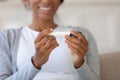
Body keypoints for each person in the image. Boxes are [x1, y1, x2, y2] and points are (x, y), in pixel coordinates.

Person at [0, 0, 100, 80]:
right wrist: (35, 63)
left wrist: (80, 64)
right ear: (25, 0)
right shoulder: (6, 37)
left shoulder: (82, 35)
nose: (47, 1)